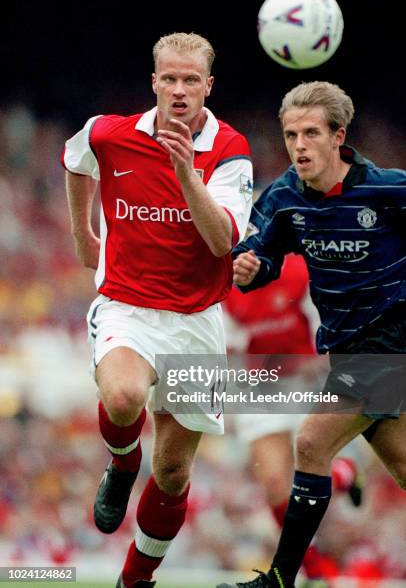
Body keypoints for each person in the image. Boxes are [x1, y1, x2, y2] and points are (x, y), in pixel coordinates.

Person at [62, 32, 253, 588]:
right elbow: (77, 158)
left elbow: (222, 242)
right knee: (122, 399)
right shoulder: (112, 132)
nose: (177, 90)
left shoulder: (230, 149)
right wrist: (83, 234)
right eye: (168, 78)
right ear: (153, 82)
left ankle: (134, 581)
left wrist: (186, 169)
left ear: (208, 87)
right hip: (128, 306)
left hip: (196, 320)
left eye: (190, 80)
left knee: (172, 472)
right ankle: (121, 462)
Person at [216, 81, 406, 588]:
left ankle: (278, 580)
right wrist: (249, 266)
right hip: (347, 352)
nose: (298, 145)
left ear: (338, 136)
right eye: (290, 135)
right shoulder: (281, 198)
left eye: (310, 133)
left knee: (312, 442)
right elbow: (259, 255)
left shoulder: (389, 190)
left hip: (392, 344)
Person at [223, 253, 361, 581]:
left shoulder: (301, 271)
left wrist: (310, 364)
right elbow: (229, 349)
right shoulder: (224, 286)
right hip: (259, 387)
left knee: (309, 467)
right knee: (274, 483)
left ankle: (344, 474)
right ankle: (313, 566)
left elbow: (327, 336)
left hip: (305, 380)